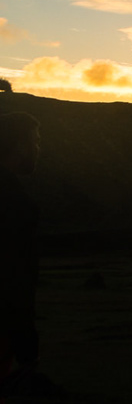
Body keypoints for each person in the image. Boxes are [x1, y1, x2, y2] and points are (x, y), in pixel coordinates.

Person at [0, 111, 42, 390]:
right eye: (35, 142)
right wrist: (26, 341)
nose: (38, 149)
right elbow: (13, 275)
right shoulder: (14, 202)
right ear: (18, 146)